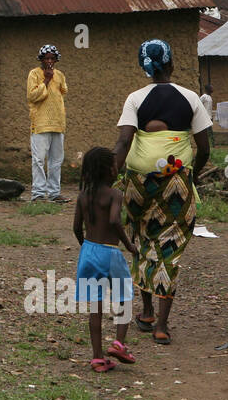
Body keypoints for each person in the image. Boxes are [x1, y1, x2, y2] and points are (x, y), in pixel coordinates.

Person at [112, 39, 212, 345]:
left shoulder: (135, 99)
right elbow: (204, 146)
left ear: (144, 68)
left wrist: (110, 177)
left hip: (138, 185)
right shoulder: (191, 98)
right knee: (169, 247)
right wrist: (192, 175)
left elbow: (124, 142)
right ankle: (162, 326)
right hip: (176, 183)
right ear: (171, 64)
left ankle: (146, 312)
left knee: (142, 241)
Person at [73, 147, 140, 372]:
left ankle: (97, 358)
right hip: (110, 252)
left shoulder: (83, 196)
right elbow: (114, 221)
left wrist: (86, 245)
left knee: (95, 307)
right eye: (114, 166)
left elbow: (76, 228)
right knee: (124, 296)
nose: (117, 169)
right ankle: (119, 344)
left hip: (88, 252)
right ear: (107, 171)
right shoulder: (115, 195)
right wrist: (129, 245)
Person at [27, 44, 68, 202]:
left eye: (52, 58)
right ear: (41, 60)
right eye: (46, 58)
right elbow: (32, 96)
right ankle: (38, 194)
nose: (49, 61)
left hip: (58, 122)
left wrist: (53, 78)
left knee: (56, 160)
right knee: (38, 160)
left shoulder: (60, 75)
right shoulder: (34, 74)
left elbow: (63, 91)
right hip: (40, 123)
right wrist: (47, 79)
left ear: (56, 60)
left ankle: (54, 193)